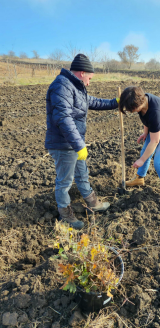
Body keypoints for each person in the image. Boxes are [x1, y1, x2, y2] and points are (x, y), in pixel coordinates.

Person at [45, 54, 119, 229]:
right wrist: (79, 145)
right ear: (82, 72)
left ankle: (92, 202)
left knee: (82, 173)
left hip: (73, 143)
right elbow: (63, 118)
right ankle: (65, 214)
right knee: (64, 181)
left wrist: (115, 102)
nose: (89, 83)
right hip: (63, 144)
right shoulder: (62, 86)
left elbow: (93, 102)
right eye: (89, 78)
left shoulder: (76, 87)